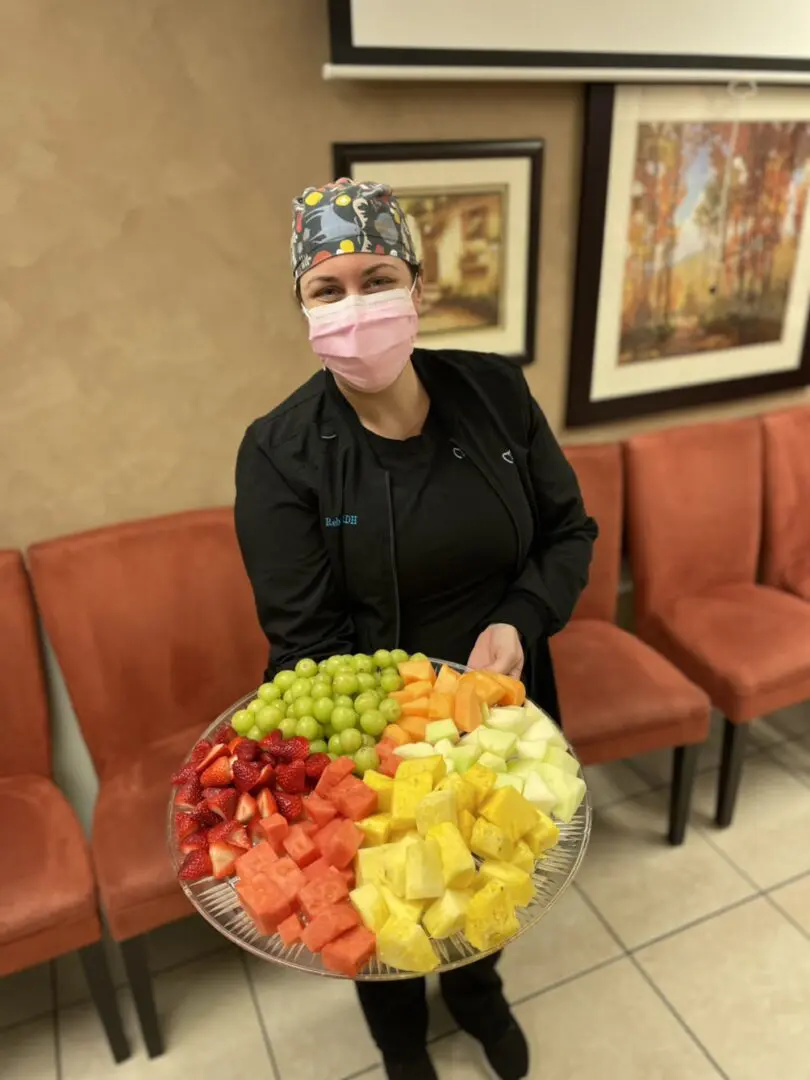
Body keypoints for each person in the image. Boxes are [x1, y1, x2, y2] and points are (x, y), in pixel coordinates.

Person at [234, 178, 598, 1080]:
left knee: (489, 876)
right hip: (378, 746)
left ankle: (479, 993)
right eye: (329, 289)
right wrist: (415, 728)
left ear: (419, 290)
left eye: (378, 279)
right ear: (302, 307)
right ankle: (399, 1036)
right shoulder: (281, 453)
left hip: (509, 703)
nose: (356, 308)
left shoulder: (494, 393)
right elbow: (304, 646)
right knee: (391, 904)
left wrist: (519, 619)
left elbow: (567, 534)